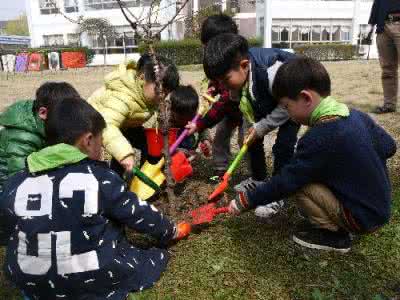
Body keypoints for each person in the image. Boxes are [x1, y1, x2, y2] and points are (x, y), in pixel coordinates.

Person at [0, 97, 190, 300]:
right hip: (91, 277)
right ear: (88, 140)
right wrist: (170, 230)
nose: (101, 151)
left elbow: (5, 232)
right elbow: (137, 212)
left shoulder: (16, 182)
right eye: (101, 144)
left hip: (32, 282)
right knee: (151, 258)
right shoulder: (100, 178)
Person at [229, 57, 396, 253]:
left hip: (361, 218)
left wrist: (246, 200)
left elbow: (286, 182)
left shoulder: (317, 138)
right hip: (381, 208)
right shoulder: (355, 115)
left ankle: (334, 235)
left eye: (286, 106)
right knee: (310, 173)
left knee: (299, 183)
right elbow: (389, 146)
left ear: (306, 98)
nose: (287, 114)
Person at [196, 33, 300, 218]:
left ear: (244, 66)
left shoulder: (272, 72)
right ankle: (259, 179)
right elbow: (242, 104)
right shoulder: (237, 79)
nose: (222, 87)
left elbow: (287, 107)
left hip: (294, 99)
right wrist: (251, 127)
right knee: (249, 138)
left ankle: (277, 192)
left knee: (283, 146)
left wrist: (262, 126)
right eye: (218, 82)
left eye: (225, 80)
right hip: (266, 98)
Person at [0, 81, 80, 245]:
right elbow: (18, 183)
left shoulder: (44, 125)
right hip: (7, 193)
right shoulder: (21, 138)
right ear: (43, 113)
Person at [88, 54, 180, 176]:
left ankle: (147, 175)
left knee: (148, 143)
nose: (162, 97)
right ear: (142, 78)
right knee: (119, 154)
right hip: (93, 127)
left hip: (124, 125)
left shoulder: (150, 94)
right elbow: (106, 125)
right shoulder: (123, 97)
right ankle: (116, 181)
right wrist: (124, 154)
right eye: (160, 91)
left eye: (166, 93)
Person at [190, 14, 244, 180]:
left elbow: (223, 103)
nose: (206, 50)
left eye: (208, 45)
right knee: (221, 136)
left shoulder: (235, 62)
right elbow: (214, 83)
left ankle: (254, 174)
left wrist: (201, 124)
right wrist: (211, 92)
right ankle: (220, 169)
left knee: (246, 141)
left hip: (245, 110)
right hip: (229, 110)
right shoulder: (216, 61)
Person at [368, 0, 400, 114]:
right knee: (387, 69)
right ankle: (389, 104)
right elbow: (377, 3)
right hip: (383, 27)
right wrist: (371, 25)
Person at [170, 85, 211, 155]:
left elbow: (203, 128)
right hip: (171, 147)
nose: (187, 121)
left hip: (187, 147)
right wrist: (181, 152)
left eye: (190, 117)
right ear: (172, 110)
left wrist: (206, 140)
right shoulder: (165, 119)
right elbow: (160, 143)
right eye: (181, 118)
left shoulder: (195, 116)